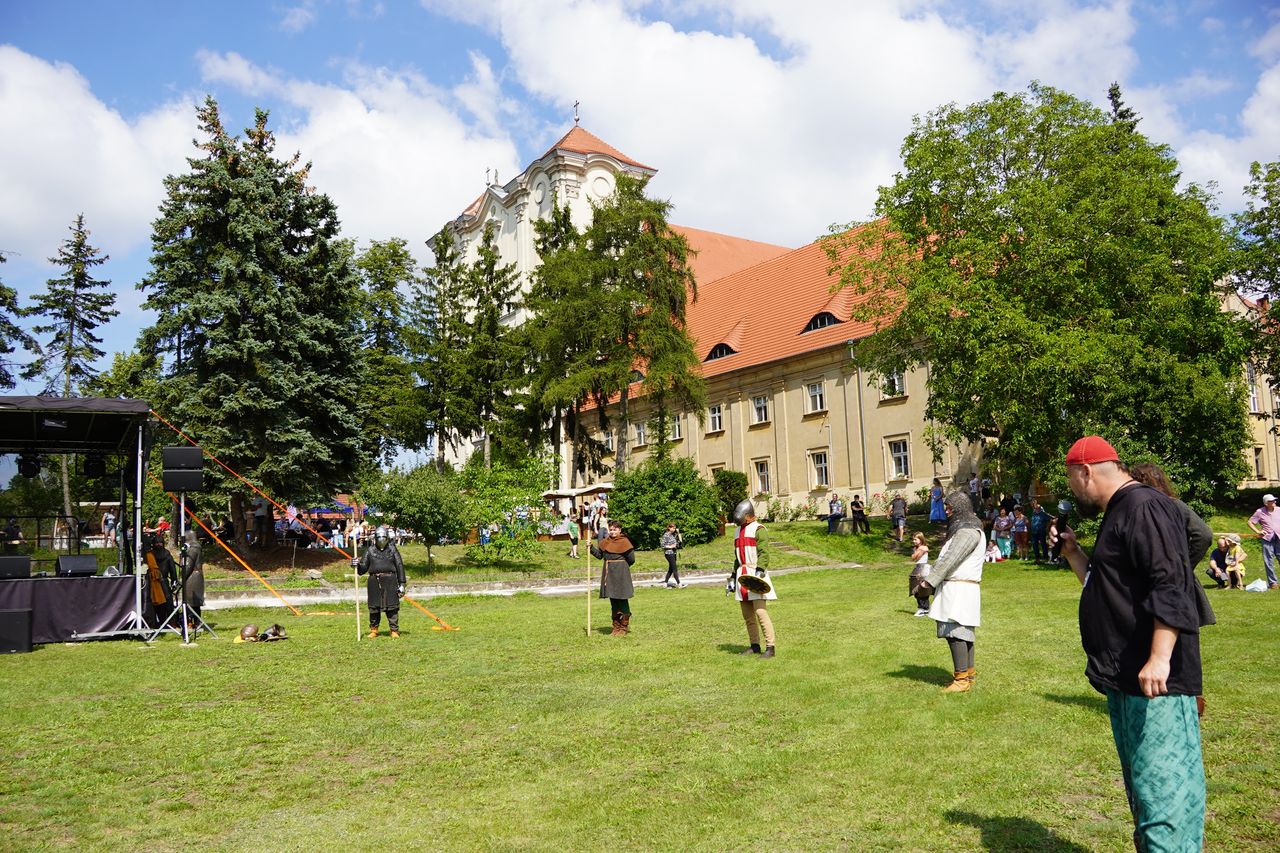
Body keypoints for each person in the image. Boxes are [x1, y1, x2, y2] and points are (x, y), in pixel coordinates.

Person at [1056, 436, 1207, 851]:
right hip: (1128, 678)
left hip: (1156, 681)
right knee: (1144, 791)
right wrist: (1073, 554)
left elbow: (1170, 584)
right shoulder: (1120, 511)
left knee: (1165, 797)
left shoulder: (1145, 507)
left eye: (1071, 480)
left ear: (1085, 471)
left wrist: (1159, 658)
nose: (1072, 491)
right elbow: (1114, 588)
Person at [914, 490, 985, 692]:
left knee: (955, 631)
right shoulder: (967, 530)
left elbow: (949, 560)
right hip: (959, 586)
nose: (946, 510)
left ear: (960, 508)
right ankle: (968, 674)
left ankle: (961, 679)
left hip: (959, 587)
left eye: (949, 507)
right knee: (963, 632)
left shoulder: (968, 532)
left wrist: (928, 583)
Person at [727, 499, 776, 657]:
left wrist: (760, 570)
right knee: (747, 615)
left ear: (748, 516)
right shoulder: (737, 532)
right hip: (742, 574)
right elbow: (737, 557)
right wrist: (733, 576)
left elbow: (764, 552)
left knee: (760, 612)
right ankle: (754, 645)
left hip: (755, 572)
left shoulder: (759, 529)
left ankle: (770, 647)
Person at [354, 525, 405, 638]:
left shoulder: (392, 549)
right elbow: (362, 569)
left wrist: (402, 584)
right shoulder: (370, 550)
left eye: (383, 537)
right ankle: (374, 630)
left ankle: (394, 630)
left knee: (392, 607)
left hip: (390, 581)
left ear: (387, 537)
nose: (381, 540)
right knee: (374, 608)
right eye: (379, 537)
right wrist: (356, 564)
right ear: (375, 538)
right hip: (374, 581)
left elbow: (399, 566)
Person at [591, 520, 636, 636]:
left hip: (621, 573)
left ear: (619, 530)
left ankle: (623, 627)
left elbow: (631, 559)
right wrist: (590, 548)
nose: (612, 531)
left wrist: (621, 566)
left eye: (615, 529)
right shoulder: (605, 542)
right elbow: (600, 556)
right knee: (613, 599)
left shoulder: (625, 542)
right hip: (609, 572)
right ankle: (616, 627)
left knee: (622, 598)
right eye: (610, 529)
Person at [1246, 492, 1280, 590]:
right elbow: (1250, 522)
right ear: (1266, 503)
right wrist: (1258, 531)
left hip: (1279, 538)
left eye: (1274, 500)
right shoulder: (1260, 512)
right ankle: (1273, 583)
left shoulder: (1279, 510)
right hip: (1267, 539)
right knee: (1268, 561)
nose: (1274, 501)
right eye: (1271, 501)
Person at [181, 528, 205, 629]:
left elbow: (188, 565)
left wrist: (181, 578)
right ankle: (195, 621)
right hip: (196, 575)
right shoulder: (197, 547)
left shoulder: (193, 549)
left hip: (192, 577)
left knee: (190, 601)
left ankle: (192, 622)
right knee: (194, 602)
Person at [908, 531, 931, 616]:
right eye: (913, 540)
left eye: (915, 539)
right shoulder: (919, 548)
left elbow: (914, 557)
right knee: (920, 588)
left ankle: (923, 608)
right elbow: (914, 557)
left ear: (921, 539)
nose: (914, 541)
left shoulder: (923, 548)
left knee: (920, 588)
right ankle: (925, 608)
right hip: (919, 567)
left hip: (921, 568)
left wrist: (916, 552)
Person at [659, 522, 684, 588]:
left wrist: (678, 533)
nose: (674, 529)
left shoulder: (673, 535)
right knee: (674, 569)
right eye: (673, 528)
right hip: (669, 553)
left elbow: (680, 542)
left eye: (675, 528)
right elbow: (662, 545)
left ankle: (665, 583)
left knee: (671, 569)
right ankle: (679, 584)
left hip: (674, 553)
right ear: (669, 528)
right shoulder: (666, 535)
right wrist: (671, 546)